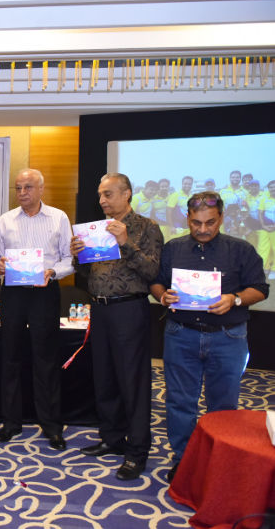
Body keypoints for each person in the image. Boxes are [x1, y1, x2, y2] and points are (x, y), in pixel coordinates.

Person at [150, 191, 268, 482]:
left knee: (223, 405)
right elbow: (156, 282)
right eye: (196, 223)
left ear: (222, 218)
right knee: (179, 402)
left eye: (210, 222)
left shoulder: (240, 249)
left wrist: (234, 299)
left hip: (228, 337)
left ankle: (220, 461)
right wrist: (162, 296)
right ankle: (183, 460)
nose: (203, 229)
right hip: (181, 335)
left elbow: (260, 289)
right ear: (187, 219)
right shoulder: (173, 248)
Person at [70, 173, 163, 480]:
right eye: (100, 195)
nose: (102, 200)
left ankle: (137, 451)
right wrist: (78, 256)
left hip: (129, 309)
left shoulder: (146, 227)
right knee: (105, 377)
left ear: (127, 194)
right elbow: (89, 273)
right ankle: (111, 438)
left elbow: (152, 271)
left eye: (108, 194)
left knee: (132, 382)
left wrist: (126, 242)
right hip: (99, 308)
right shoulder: (97, 228)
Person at [0, 168, 73, 450]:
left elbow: (70, 260)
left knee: (46, 359)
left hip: (44, 292)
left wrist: (52, 271)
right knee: (10, 357)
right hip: (13, 293)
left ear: (41, 189)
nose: (22, 192)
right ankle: (11, 423)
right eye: (18, 188)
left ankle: (51, 425)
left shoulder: (59, 217)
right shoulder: (5, 220)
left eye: (28, 187)